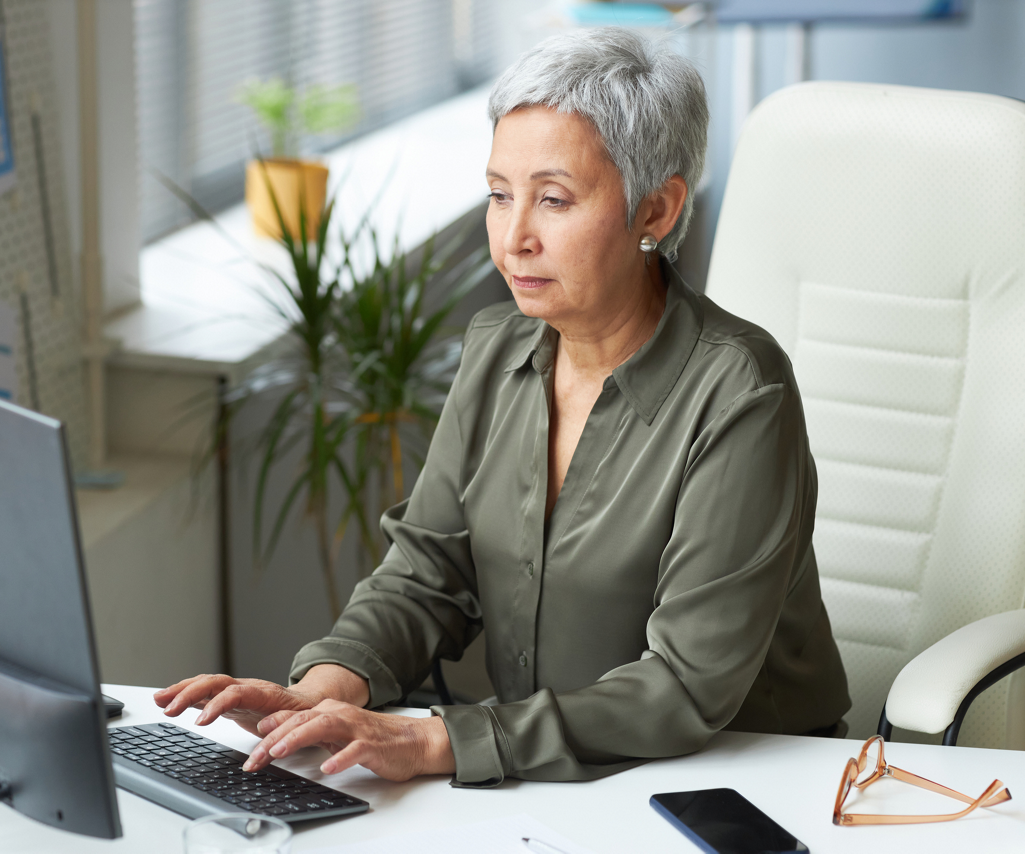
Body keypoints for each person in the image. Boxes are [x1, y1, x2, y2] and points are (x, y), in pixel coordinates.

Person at [155, 27, 851, 788]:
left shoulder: (741, 392)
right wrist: (321, 690)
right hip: (548, 778)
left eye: (553, 200)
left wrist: (434, 743)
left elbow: (686, 685)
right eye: (498, 195)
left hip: (741, 785)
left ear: (656, 210)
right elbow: (428, 570)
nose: (513, 237)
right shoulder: (498, 349)